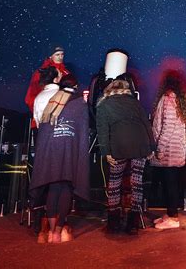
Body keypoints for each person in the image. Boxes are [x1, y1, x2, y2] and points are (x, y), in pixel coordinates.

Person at [29, 73, 89, 244]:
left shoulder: (51, 102)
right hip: (69, 150)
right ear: (75, 87)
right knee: (66, 188)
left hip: (51, 151)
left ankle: (50, 231)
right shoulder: (79, 103)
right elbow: (83, 131)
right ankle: (59, 231)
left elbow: (42, 128)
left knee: (54, 187)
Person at [96, 77, 155, 235]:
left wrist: (106, 152)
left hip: (118, 145)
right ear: (126, 89)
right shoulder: (134, 102)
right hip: (140, 144)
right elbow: (146, 124)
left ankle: (113, 222)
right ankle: (133, 223)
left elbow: (102, 131)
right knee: (136, 183)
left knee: (114, 183)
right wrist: (152, 147)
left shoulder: (104, 104)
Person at [150, 69, 186, 230]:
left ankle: (173, 218)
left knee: (170, 185)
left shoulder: (168, 99)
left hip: (169, 152)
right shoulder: (177, 99)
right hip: (175, 151)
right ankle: (170, 214)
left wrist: (159, 149)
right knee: (171, 184)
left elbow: (167, 127)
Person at [25, 46, 69, 124]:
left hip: (64, 116)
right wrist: (40, 114)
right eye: (57, 54)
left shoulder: (66, 72)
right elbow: (30, 97)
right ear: (50, 56)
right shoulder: (41, 73)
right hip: (44, 116)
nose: (60, 57)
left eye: (62, 54)